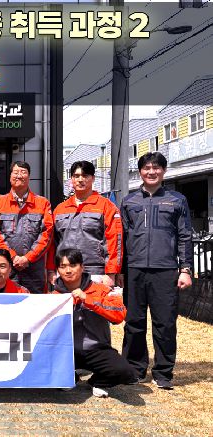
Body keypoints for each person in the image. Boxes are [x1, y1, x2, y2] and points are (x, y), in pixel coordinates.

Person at [120, 152, 193, 390]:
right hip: (134, 269)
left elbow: (185, 236)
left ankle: (163, 373)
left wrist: (185, 269)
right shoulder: (129, 201)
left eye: (156, 168)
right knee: (134, 322)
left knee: (165, 323)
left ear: (164, 170)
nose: (151, 172)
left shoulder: (177, 200)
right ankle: (134, 369)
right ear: (140, 171)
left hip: (166, 270)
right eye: (147, 168)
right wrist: (120, 271)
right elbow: (122, 238)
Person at [53, 248, 137, 398]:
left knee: (126, 373)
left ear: (82, 267)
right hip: (65, 351)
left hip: (96, 350)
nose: (68, 270)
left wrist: (88, 299)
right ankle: (70, 376)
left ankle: (98, 381)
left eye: (73, 265)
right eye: (62, 266)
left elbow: (119, 314)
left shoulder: (100, 290)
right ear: (58, 270)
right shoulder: (52, 295)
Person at [47, 161, 122, 288]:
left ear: (93, 178)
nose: (80, 180)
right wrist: (51, 270)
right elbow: (52, 243)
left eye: (85, 175)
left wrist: (111, 273)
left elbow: (114, 241)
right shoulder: (60, 209)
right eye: (76, 176)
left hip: (96, 273)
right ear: (71, 179)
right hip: (65, 272)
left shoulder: (106, 206)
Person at [0, 161, 53, 293]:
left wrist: (28, 258)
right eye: (16, 172)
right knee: (7, 302)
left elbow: (47, 234)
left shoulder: (42, 203)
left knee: (35, 302)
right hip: (6, 267)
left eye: (23, 172)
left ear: (29, 177)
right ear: (10, 176)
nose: (19, 175)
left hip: (34, 268)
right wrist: (12, 257)